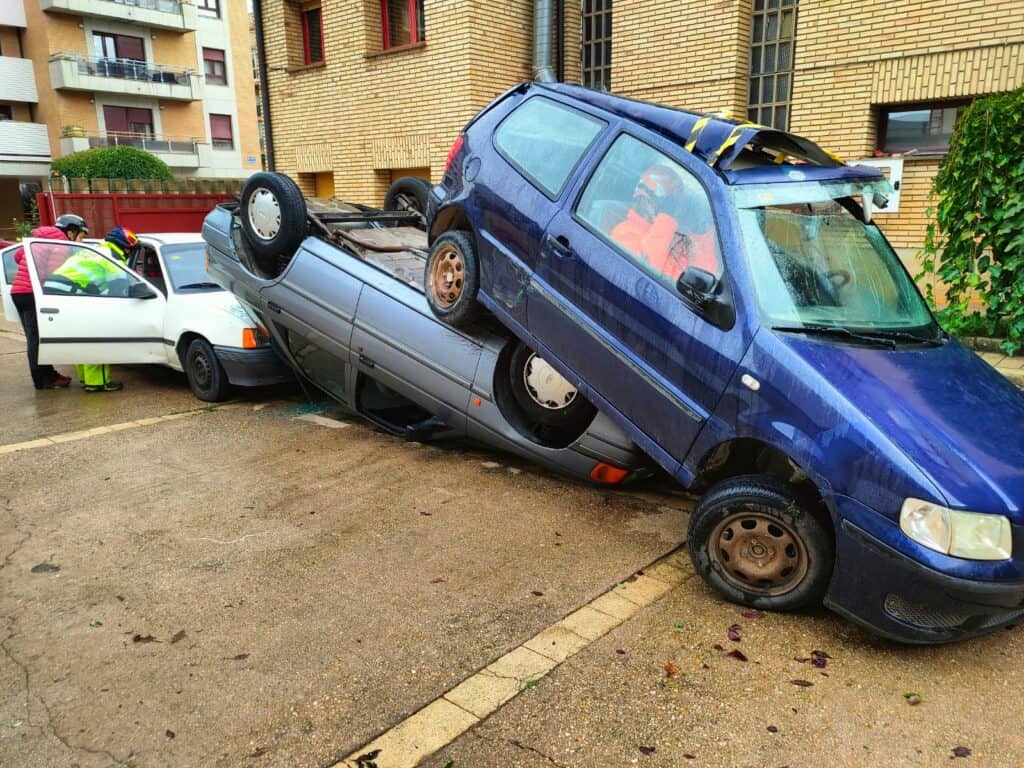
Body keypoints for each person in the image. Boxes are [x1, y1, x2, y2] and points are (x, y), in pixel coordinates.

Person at [9, 214, 89, 390]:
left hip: (19, 292)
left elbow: (17, 256)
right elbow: (55, 272)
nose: (81, 242)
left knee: (35, 337)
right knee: (36, 339)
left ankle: (49, 374)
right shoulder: (60, 244)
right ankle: (42, 380)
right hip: (32, 293)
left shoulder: (38, 238)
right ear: (70, 232)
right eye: (81, 237)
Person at [610, 165, 719, 283]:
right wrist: (666, 220)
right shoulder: (624, 233)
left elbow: (703, 279)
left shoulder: (676, 233)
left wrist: (701, 235)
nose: (677, 211)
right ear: (644, 199)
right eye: (669, 204)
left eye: (676, 204)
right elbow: (647, 270)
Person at [45, 241, 128, 392]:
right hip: (72, 293)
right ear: (125, 246)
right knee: (96, 338)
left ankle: (86, 378)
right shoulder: (113, 257)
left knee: (80, 339)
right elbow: (119, 288)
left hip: (57, 294)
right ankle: (98, 382)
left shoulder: (92, 251)